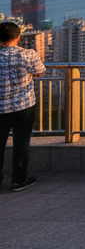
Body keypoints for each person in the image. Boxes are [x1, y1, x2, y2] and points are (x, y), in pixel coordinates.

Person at [0, 21, 46, 192]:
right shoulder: (28, 54)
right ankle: (19, 180)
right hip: (24, 106)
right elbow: (41, 71)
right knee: (21, 143)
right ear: (18, 37)